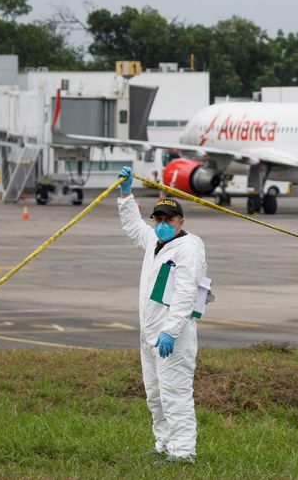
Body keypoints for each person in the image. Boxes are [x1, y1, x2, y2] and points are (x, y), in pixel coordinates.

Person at [116, 166, 206, 463]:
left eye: (169, 219)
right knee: (155, 396)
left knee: (175, 394)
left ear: (181, 221)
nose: (163, 224)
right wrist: (126, 194)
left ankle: (183, 453)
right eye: (159, 219)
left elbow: (185, 293)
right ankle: (164, 446)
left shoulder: (187, 249)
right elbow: (133, 227)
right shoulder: (155, 242)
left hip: (173, 337)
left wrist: (171, 330)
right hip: (149, 334)